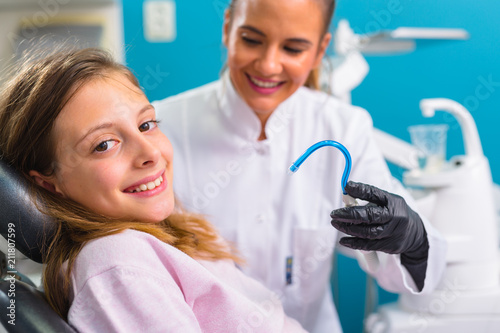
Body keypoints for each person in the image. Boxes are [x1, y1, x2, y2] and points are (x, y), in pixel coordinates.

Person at [152, 0, 447, 331]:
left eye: (293, 48)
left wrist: (412, 237)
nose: (268, 65)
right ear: (227, 28)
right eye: (251, 40)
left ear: (321, 50)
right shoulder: (163, 126)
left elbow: (410, 269)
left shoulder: (343, 128)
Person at [0, 48, 308, 332]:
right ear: (47, 184)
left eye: (146, 125)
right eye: (104, 145)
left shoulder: (155, 232)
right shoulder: (116, 263)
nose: (150, 153)